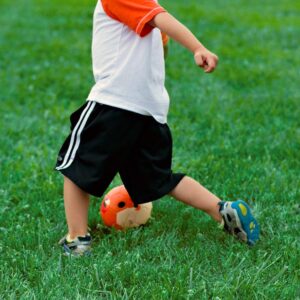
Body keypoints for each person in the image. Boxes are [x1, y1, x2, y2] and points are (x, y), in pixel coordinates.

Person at [55, 0, 259, 256]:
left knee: (75, 167)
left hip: (114, 101)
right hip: (150, 111)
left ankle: (77, 239)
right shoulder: (146, 4)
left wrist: (198, 48)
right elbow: (161, 43)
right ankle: (221, 210)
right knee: (160, 179)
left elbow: (162, 20)